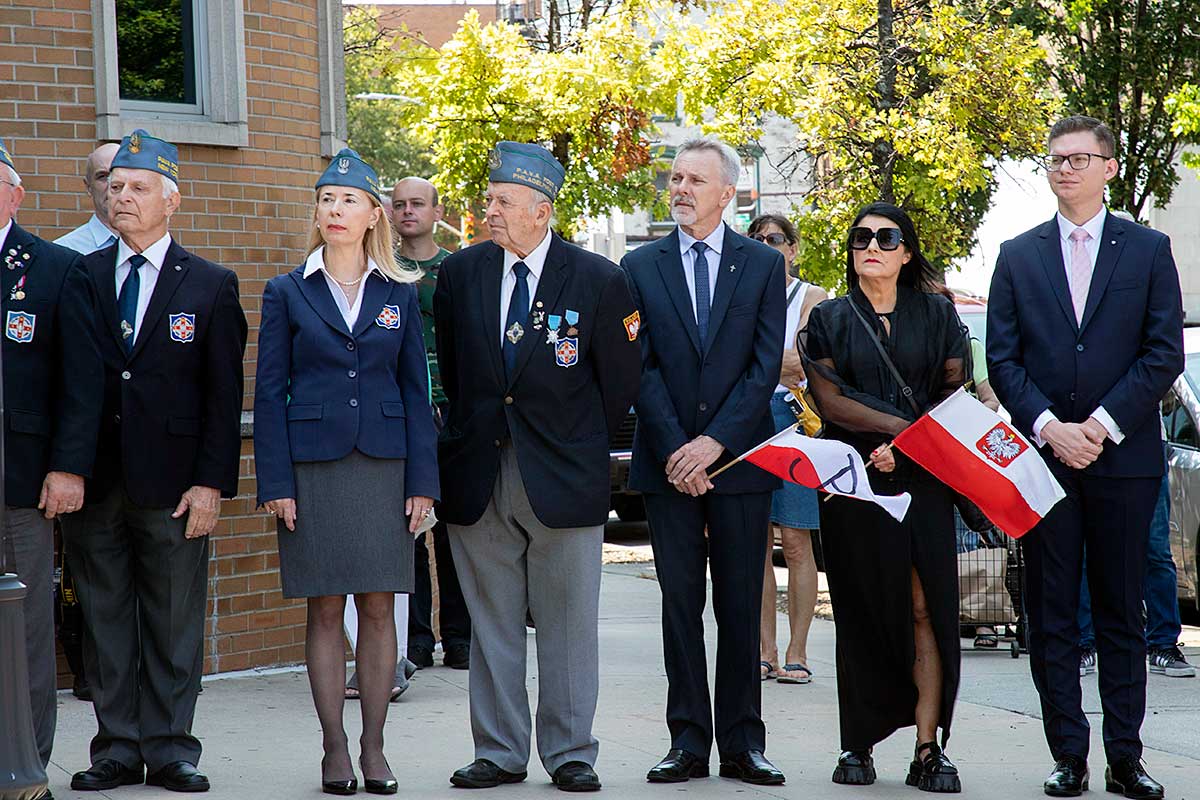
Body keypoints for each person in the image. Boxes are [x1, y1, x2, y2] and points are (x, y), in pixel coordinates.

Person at [987, 115, 1184, 800]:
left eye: (1078, 158)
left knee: (1121, 611)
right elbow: (1003, 359)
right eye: (1055, 159)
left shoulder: (1149, 250)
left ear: (1109, 167)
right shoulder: (1018, 255)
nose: (1064, 168)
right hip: (1046, 461)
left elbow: (1161, 353)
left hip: (1123, 460)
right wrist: (1050, 427)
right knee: (1052, 614)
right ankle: (1067, 754)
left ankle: (1125, 758)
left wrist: (1097, 426)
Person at [434, 141, 640, 793]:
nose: (488, 211)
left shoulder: (598, 279)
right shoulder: (460, 274)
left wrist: (574, 444)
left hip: (564, 476)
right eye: (488, 198)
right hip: (479, 473)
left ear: (541, 211)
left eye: (502, 201)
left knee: (568, 624)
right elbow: (458, 375)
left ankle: (570, 751)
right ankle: (498, 751)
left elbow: (619, 385)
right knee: (491, 623)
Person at [62, 129, 248, 793]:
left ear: (172, 201)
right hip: (96, 481)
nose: (122, 197)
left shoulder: (211, 285)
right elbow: (70, 382)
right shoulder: (81, 276)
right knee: (104, 620)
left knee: (173, 620)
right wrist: (66, 467)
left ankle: (170, 748)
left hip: (174, 485)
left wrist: (210, 484)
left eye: (138, 187)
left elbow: (223, 397)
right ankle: (116, 747)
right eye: (115, 187)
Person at [254, 148, 438, 796]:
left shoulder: (399, 292)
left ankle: (374, 747)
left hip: (385, 466)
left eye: (349, 200)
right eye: (327, 199)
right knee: (326, 607)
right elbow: (268, 392)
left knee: (381, 606)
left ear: (372, 215)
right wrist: (275, 483)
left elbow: (416, 391)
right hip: (313, 469)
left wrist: (423, 483)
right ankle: (334, 747)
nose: (335, 209)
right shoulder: (286, 291)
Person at [622, 137, 787, 786]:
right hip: (667, 466)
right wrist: (678, 449)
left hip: (739, 462)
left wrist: (713, 444)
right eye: (675, 178)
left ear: (727, 193)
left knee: (741, 605)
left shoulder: (762, 265)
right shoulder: (639, 266)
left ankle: (744, 744)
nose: (681, 189)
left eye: (695, 180)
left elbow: (763, 366)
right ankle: (687, 742)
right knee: (680, 606)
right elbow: (639, 367)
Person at [803, 202, 965, 792]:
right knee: (862, 610)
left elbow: (955, 393)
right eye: (861, 237)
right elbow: (830, 400)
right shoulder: (828, 318)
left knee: (926, 609)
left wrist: (911, 448)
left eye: (886, 237)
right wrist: (900, 434)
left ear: (907, 251)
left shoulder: (940, 314)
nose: (871, 246)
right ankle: (858, 744)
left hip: (925, 479)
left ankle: (928, 749)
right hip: (856, 479)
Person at [0, 137, 104, 795]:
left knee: (25, 629)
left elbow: (81, 383)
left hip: (19, 480)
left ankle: (25, 765)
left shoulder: (54, 267)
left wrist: (68, 468)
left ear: (15, 195)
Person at [391, 176, 472, 671]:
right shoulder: (382, 268)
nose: (407, 211)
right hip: (403, 413)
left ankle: (459, 636)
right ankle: (417, 639)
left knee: (456, 529)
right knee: (411, 528)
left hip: (454, 412)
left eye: (417, 203)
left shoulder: (458, 270)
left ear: (437, 212)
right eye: (399, 204)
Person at [746, 213, 826, 686]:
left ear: (792, 249)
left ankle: (797, 650)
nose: (765, 244)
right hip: (750, 421)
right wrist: (772, 364)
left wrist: (755, 362)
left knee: (796, 541)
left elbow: (806, 362)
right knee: (754, 542)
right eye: (756, 238)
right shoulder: (741, 295)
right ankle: (765, 649)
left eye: (775, 238)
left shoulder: (811, 296)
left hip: (794, 421)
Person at [55, 141, 121, 704]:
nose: (115, 189)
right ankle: (94, 677)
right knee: (89, 581)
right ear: (88, 187)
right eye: (103, 178)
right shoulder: (63, 258)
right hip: (89, 454)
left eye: (125, 178)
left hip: (152, 460)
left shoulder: (176, 262)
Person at [55, 142, 121, 254]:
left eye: (119, 175)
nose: (112, 184)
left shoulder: (152, 246)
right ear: (88, 187)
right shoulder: (63, 251)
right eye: (102, 177)